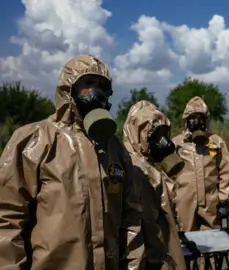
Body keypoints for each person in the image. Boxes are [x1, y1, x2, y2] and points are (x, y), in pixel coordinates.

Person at [0, 54, 142, 269]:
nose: (96, 93)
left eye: (102, 86)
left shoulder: (114, 149)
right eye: (88, 84)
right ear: (69, 89)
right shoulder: (35, 140)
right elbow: (7, 218)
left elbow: (130, 218)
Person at [123, 100, 186, 269]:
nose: (165, 143)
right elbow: (137, 230)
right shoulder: (134, 169)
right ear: (138, 133)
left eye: (165, 134)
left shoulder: (150, 168)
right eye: (156, 135)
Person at [172, 96, 229, 232]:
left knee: (212, 240)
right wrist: (170, 202)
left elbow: (225, 172)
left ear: (206, 120)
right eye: (192, 117)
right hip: (184, 202)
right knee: (187, 240)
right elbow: (169, 177)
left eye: (200, 118)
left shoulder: (216, 142)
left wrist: (224, 200)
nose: (196, 122)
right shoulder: (176, 144)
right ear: (186, 120)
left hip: (210, 202)